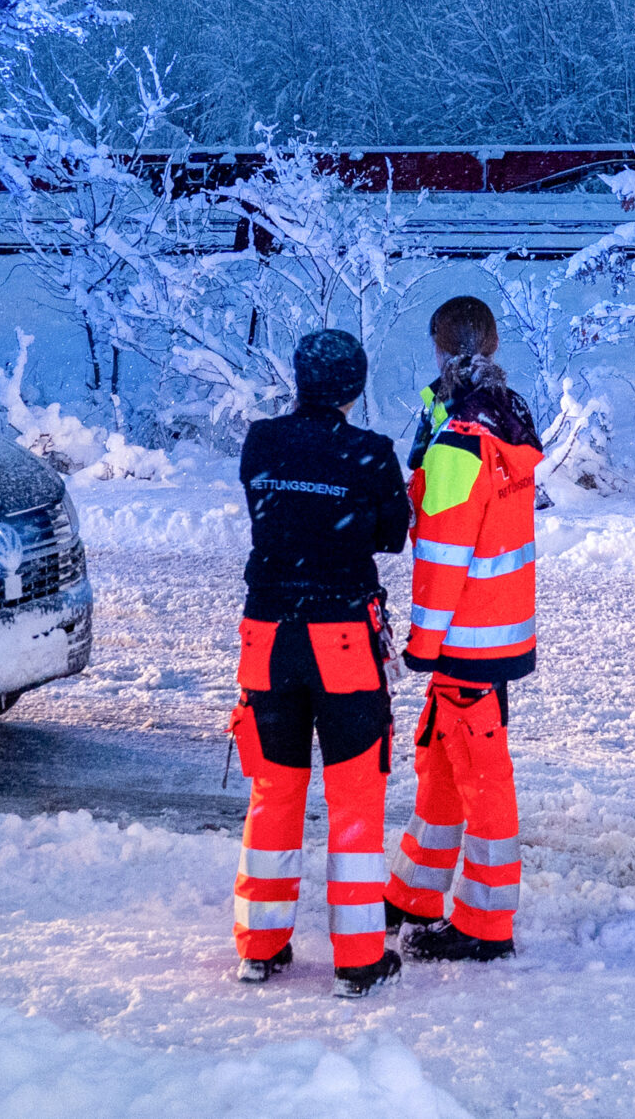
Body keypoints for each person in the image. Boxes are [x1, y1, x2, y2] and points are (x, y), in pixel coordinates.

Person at [230, 328, 409, 1000]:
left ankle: (260, 946)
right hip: (341, 640)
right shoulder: (371, 454)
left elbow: (267, 508)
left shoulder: (262, 441)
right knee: (354, 799)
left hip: (268, 635)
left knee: (274, 790)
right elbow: (392, 537)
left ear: (298, 379)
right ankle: (358, 960)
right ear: (356, 387)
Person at [384, 296, 539, 964]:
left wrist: (422, 643)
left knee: (479, 775)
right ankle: (415, 892)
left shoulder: (458, 442)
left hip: (464, 635)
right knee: (446, 764)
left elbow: (444, 552)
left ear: (439, 348)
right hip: (498, 627)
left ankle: (485, 923)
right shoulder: (505, 419)